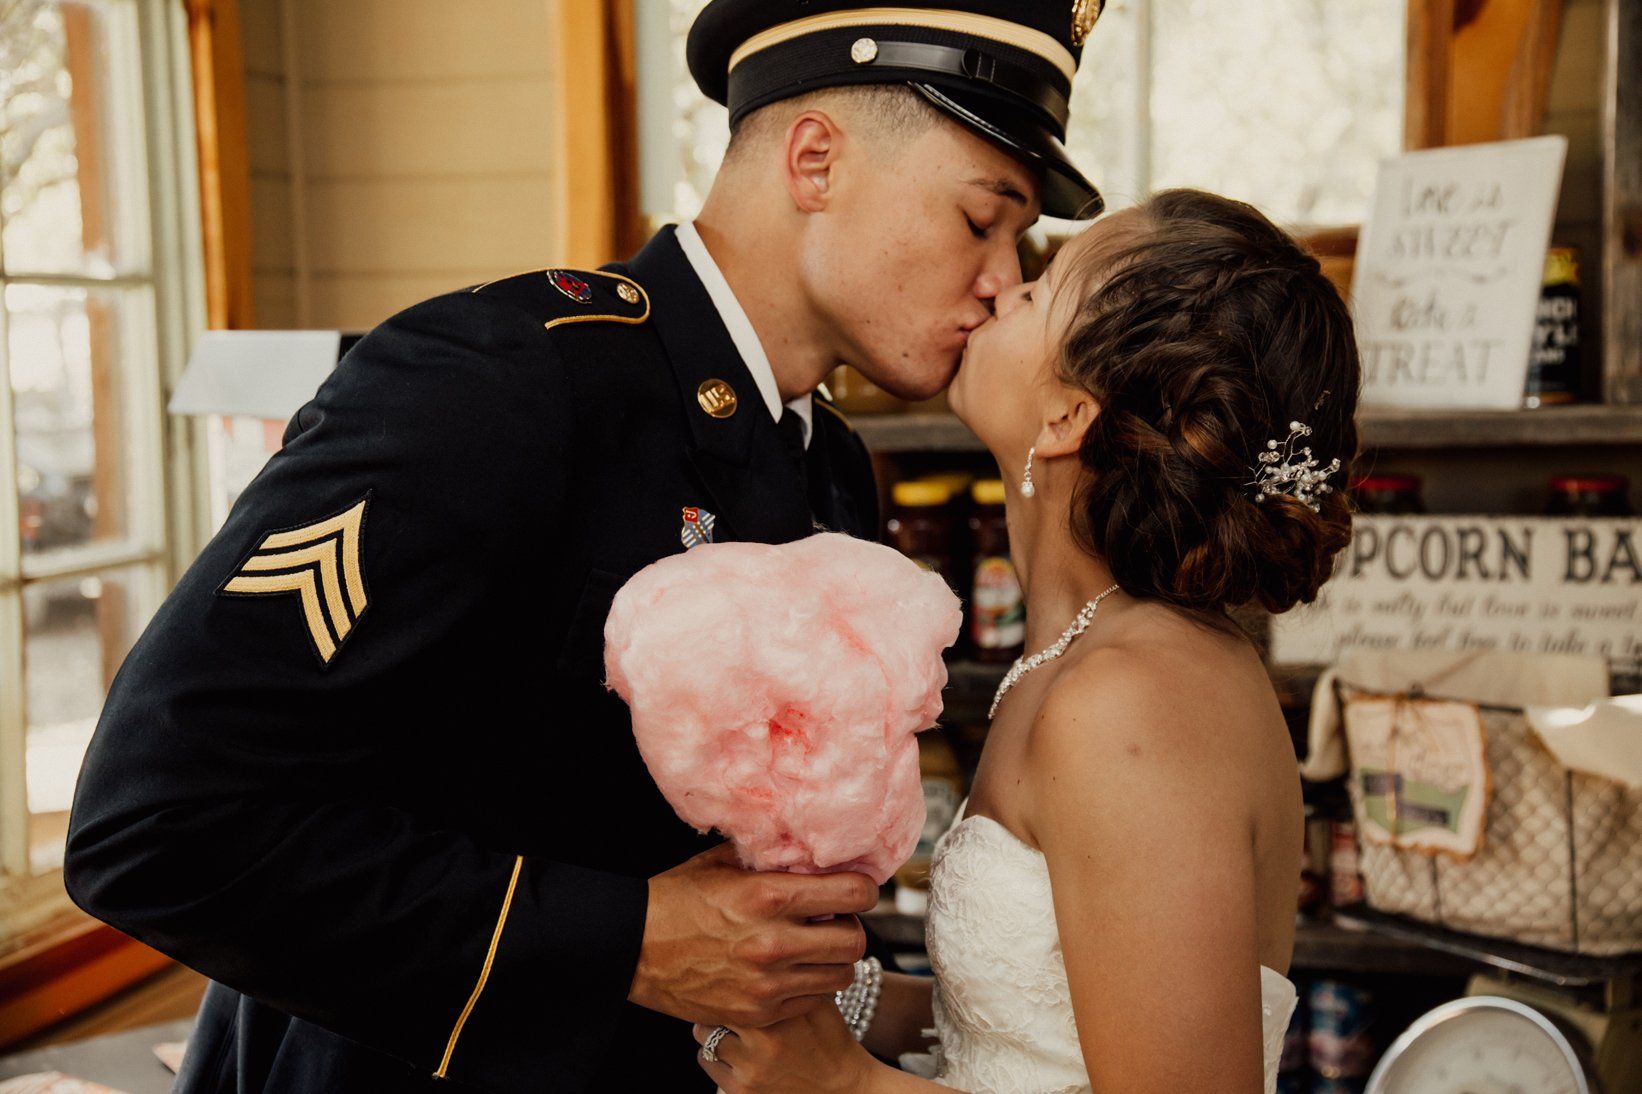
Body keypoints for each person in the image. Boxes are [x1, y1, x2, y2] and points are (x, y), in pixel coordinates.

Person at [62, 1, 1104, 1091]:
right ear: (814, 161)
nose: (1002, 277)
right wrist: (630, 938)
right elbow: (157, 822)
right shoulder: (500, 383)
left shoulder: (828, 462)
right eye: (981, 220)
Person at [687, 189, 1363, 1093]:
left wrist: (847, 1085)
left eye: (1040, 291)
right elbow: (1050, 1028)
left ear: (1069, 416)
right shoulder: (1086, 658)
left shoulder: (1133, 704)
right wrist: (833, 997)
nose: (1002, 288)